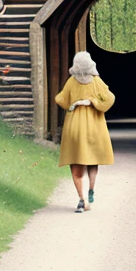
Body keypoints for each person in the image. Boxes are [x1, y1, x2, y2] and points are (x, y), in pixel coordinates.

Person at [54, 51, 115, 213]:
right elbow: (110, 98)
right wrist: (93, 102)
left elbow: (60, 99)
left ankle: (81, 200)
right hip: (95, 125)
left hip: (75, 125)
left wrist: (74, 104)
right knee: (93, 159)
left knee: (76, 161)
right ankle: (91, 189)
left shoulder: (71, 82)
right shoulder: (96, 81)